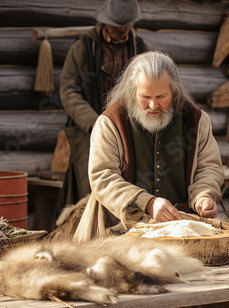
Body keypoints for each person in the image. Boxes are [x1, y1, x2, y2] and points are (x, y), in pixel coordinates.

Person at [73, 50, 225, 241]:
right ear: (132, 92)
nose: (153, 105)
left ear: (174, 90)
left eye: (161, 96)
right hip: (118, 234)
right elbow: (103, 177)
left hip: (183, 233)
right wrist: (148, 203)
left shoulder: (196, 120)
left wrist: (203, 196)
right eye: (145, 97)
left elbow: (209, 167)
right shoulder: (110, 123)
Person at [58, 0, 149, 215]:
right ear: (105, 22)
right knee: (92, 189)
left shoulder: (139, 47)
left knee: (131, 187)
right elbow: (69, 91)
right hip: (89, 132)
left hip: (130, 131)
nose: (122, 30)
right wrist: (95, 122)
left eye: (126, 25)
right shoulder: (83, 48)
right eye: (117, 25)